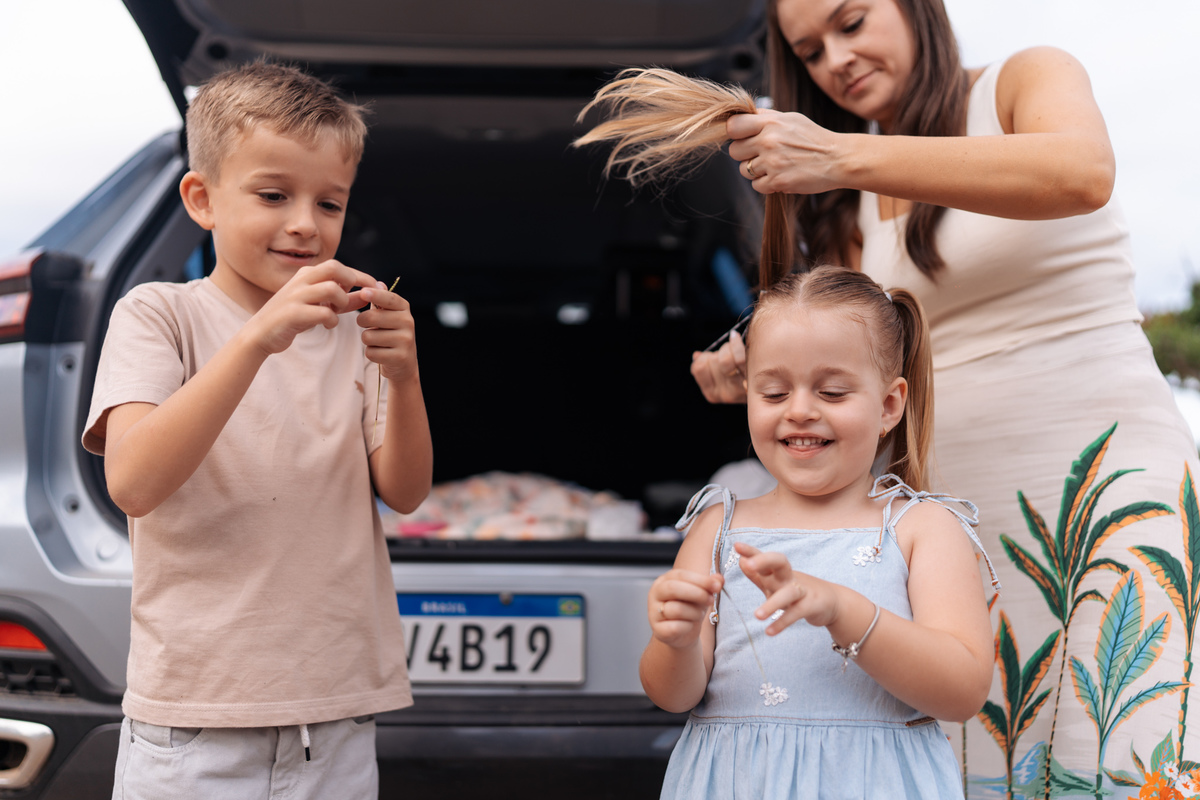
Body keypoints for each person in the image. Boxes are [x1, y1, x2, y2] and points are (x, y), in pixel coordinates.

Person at [578, 0, 1200, 794]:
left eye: (852, 21)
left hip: (1099, 475)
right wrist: (763, 369)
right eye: (808, 50)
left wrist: (842, 157)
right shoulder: (845, 200)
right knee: (970, 751)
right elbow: (854, 346)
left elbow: (1080, 172)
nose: (834, 59)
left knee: (1110, 740)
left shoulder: (1019, 81)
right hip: (955, 506)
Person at [82, 61, 433, 799]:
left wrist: (404, 377)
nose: (306, 223)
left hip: (335, 720)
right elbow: (133, 482)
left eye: (330, 203)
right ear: (202, 200)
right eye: (274, 195)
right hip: (195, 725)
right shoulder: (159, 315)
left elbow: (404, 491)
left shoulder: (349, 331)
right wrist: (256, 339)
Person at [644, 265, 996, 799]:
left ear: (888, 406)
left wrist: (840, 609)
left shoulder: (922, 527)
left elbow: (963, 691)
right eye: (773, 393)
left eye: (831, 392)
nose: (800, 411)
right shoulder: (716, 528)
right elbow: (673, 695)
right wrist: (675, 641)